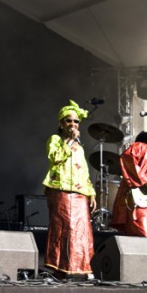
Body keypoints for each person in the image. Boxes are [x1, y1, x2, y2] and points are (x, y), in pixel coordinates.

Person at [42, 100, 96, 280]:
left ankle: (81, 268)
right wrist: (70, 140)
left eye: (75, 121)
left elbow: (85, 170)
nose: (73, 124)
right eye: (68, 121)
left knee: (82, 229)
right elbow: (55, 158)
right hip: (61, 190)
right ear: (61, 123)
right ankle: (59, 268)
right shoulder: (55, 140)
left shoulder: (79, 147)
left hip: (80, 193)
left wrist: (91, 192)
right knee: (63, 228)